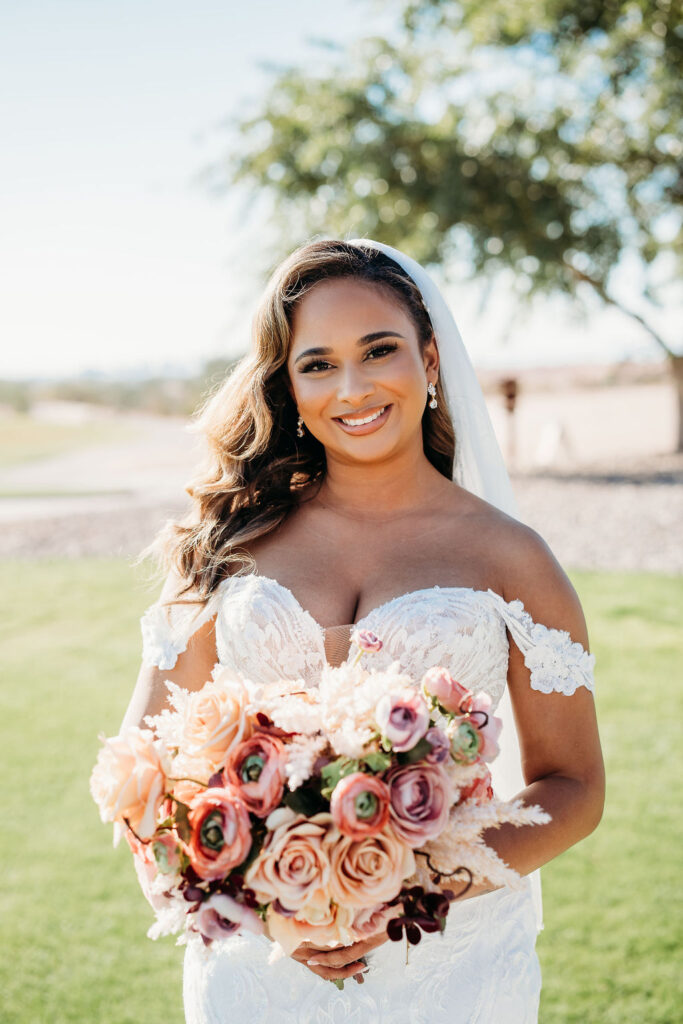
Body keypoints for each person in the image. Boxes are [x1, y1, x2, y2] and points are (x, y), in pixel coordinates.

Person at [120, 237, 605, 1023]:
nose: (352, 387)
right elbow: (142, 773)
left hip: (448, 964)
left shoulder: (512, 557)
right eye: (317, 363)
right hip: (257, 970)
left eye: (378, 350)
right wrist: (262, 903)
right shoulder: (224, 547)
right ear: (288, 384)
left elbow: (574, 788)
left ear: (430, 359)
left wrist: (410, 887)